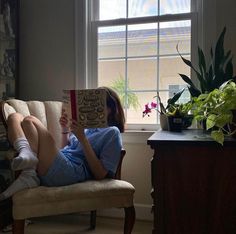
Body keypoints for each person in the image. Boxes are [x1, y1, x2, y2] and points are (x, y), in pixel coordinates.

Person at [0, 87, 125, 201]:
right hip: (60, 162)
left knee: (29, 120)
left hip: (70, 172)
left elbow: (100, 174)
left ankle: (29, 169)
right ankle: (29, 169)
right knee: (14, 117)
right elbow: (65, 149)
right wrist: (65, 129)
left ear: (109, 109)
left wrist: (82, 139)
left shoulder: (112, 133)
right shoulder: (86, 129)